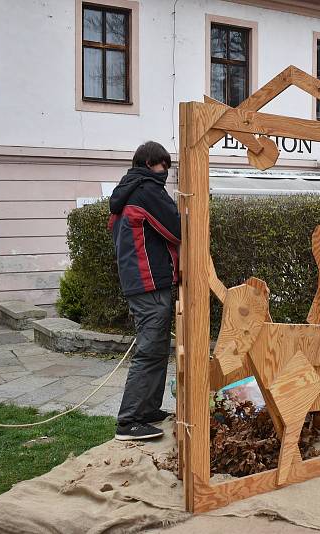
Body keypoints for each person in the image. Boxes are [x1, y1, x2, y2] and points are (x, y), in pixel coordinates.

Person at [108, 141, 180, 441]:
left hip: (139, 281)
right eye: (163, 164)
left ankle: (148, 410)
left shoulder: (128, 189)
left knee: (158, 349)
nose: (166, 171)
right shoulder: (146, 190)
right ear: (150, 164)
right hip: (150, 283)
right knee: (150, 350)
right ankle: (129, 421)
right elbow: (178, 229)